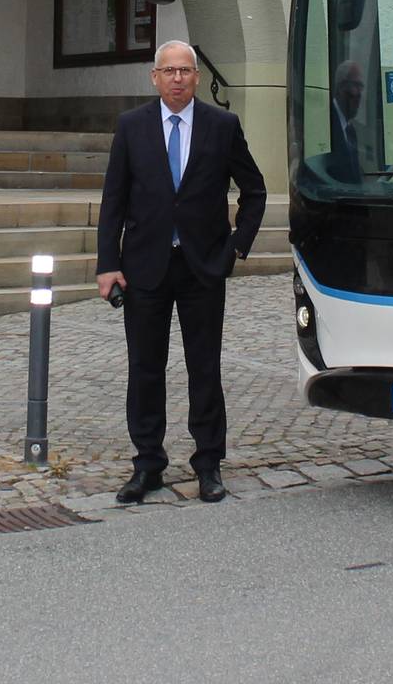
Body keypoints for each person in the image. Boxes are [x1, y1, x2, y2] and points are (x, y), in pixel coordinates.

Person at [97, 40, 268, 505]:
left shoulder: (222, 126)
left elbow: (254, 190)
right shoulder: (132, 126)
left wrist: (236, 246)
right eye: (169, 71)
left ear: (197, 77)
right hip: (144, 267)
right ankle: (147, 464)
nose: (177, 79)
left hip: (202, 267)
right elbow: (113, 200)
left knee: (204, 367)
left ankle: (208, 463)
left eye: (185, 71)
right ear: (155, 77)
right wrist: (107, 264)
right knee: (145, 368)